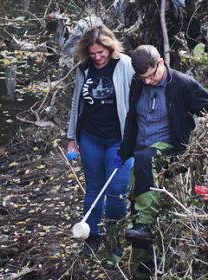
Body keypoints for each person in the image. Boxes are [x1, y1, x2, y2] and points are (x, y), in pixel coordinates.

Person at [115, 45, 208, 280]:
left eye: (152, 75)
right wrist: (124, 150)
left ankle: (147, 223)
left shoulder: (182, 84)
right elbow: (132, 120)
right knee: (137, 211)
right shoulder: (137, 83)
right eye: (144, 78)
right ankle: (143, 273)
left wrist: (201, 144)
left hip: (171, 151)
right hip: (142, 155)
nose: (149, 81)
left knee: (145, 209)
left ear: (161, 62)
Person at [66, 24, 135, 255]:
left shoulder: (125, 64)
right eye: (92, 53)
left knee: (116, 192)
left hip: (119, 140)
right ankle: (92, 236)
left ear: (110, 47)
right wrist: (71, 140)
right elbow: (77, 103)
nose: (97, 57)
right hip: (91, 138)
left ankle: (114, 239)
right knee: (93, 189)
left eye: (101, 53)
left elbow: (137, 98)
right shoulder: (84, 68)